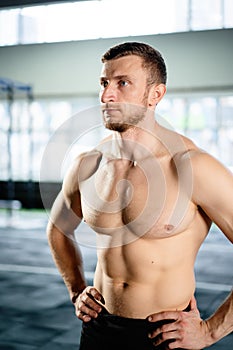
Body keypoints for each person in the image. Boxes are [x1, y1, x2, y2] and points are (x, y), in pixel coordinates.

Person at [47, 42, 233, 349]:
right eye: (104, 83)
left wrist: (210, 331)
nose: (107, 95)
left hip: (165, 335)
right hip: (98, 328)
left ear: (155, 95)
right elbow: (57, 228)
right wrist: (76, 288)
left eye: (123, 84)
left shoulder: (192, 167)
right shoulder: (88, 164)